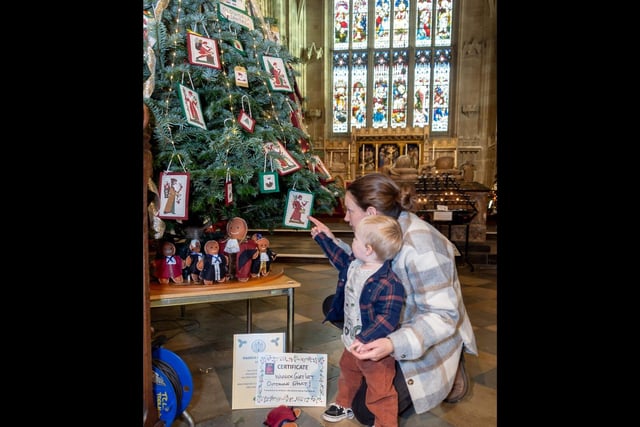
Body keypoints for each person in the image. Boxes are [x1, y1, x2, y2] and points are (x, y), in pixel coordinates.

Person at [308, 172, 477, 426]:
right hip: (394, 319)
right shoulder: (382, 230)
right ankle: (381, 361)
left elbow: (444, 316)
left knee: (366, 412)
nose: (345, 217)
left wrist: (392, 344)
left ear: (371, 212)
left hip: (430, 334)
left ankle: (454, 370)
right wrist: (329, 241)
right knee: (335, 305)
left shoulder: (421, 247)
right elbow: (358, 266)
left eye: (350, 211)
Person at [313, 215, 404, 426]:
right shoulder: (356, 265)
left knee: (380, 390)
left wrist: (364, 338)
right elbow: (339, 258)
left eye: (355, 238)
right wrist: (322, 238)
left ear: (369, 249)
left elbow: (387, 318)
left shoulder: (389, 283)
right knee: (348, 372)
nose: (351, 242)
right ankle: (344, 404)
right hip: (351, 342)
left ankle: (385, 423)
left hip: (374, 350)